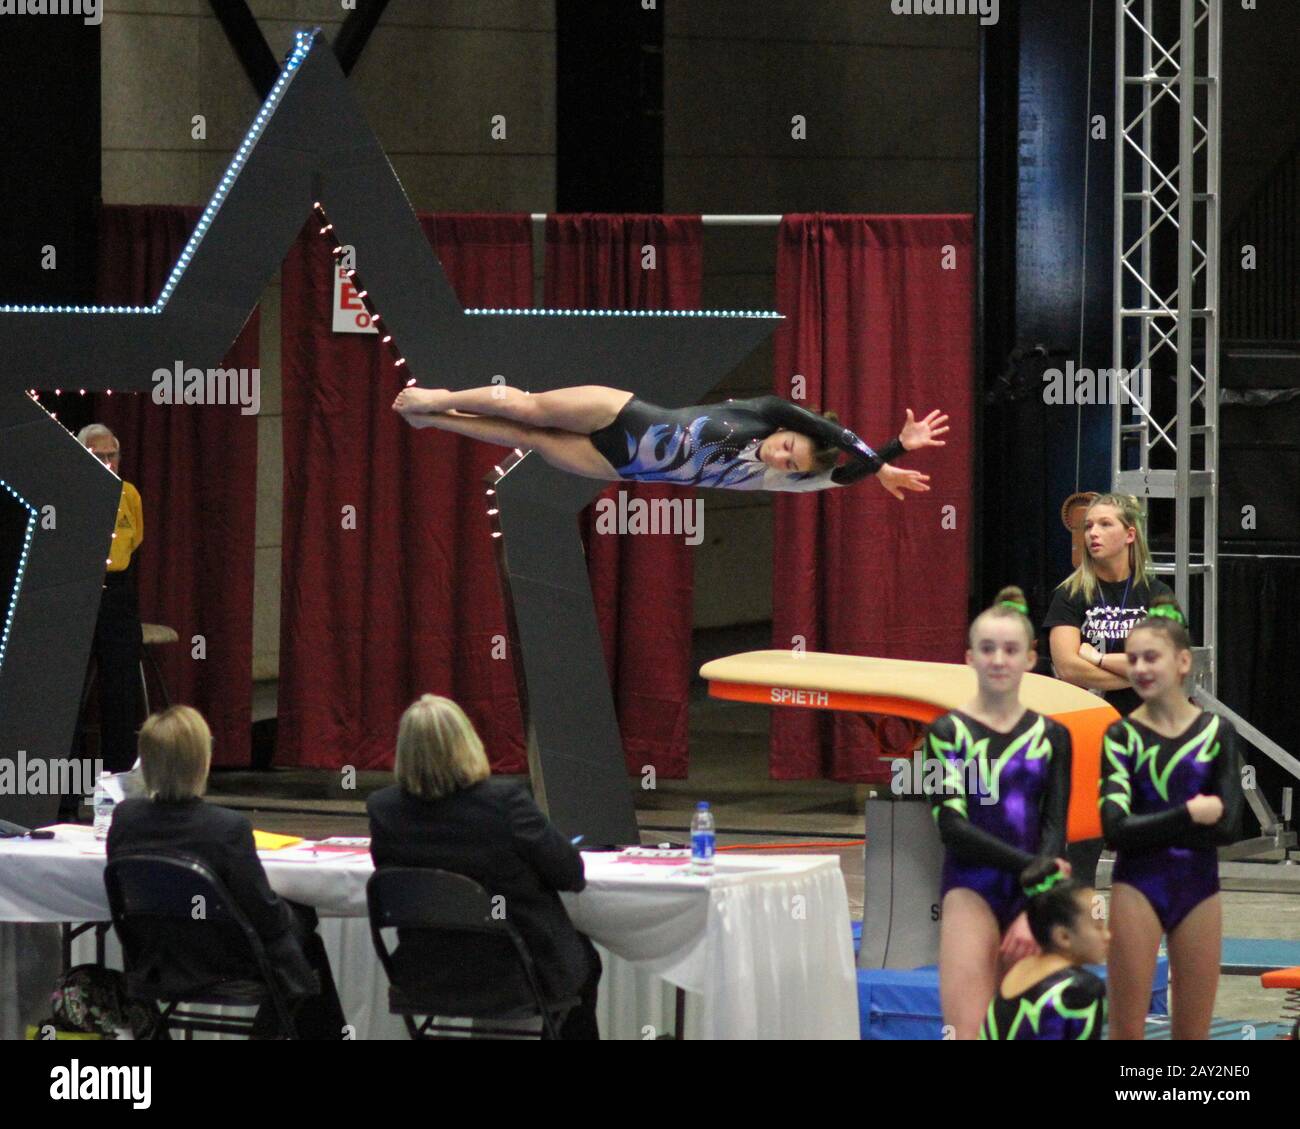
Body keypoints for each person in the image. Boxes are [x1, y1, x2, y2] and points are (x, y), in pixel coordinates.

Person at [367, 693, 601, 1039]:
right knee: (582, 962)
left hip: (425, 974)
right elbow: (571, 875)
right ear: (468, 743)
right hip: (513, 974)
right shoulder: (504, 803)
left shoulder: (384, 810)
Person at [106, 706, 347, 1039]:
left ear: (145, 763)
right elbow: (263, 913)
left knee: (301, 952)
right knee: (302, 939)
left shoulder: (125, 820)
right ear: (202, 762)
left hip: (155, 961)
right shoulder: (226, 829)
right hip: (225, 965)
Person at [925, 585, 1074, 1039]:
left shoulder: (1054, 736)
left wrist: (1037, 904)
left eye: (1010, 650)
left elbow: (1055, 828)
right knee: (967, 1031)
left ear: (1030, 658)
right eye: (987, 649)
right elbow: (951, 826)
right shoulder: (946, 733)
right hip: (970, 890)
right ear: (969, 657)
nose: (998, 660)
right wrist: (1036, 868)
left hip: (1034, 897)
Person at [1100, 594, 1243, 1040]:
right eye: (1133, 659)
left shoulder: (1217, 733)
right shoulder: (1121, 736)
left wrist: (1156, 827)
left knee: (1193, 1034)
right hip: (1137, 887)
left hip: (1198, 888)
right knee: (1126, 1031)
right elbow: (1115, 830)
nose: (1140, 668)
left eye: (1151, 658)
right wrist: (1189, 813)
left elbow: (1229, 827)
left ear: (1183, 662)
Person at [392, 383, 947, 497]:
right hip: (625, 413)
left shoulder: (779, 482)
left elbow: (841, 474)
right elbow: (833, 434)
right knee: (530, 407)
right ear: (787, 430)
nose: (781, 458)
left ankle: (436, 422)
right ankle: (439, 398)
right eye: (788, 447)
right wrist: (885, 454)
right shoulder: (767, 411)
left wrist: (886, 461)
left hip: (618, 465)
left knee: (526, 437)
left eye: (791, 464)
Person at [1042, 492, 1175, 884]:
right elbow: (1067, 666)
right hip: (1087, 732)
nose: (1092, 534)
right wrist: (1134, 671)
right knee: (1082, 846)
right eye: (1088, 526)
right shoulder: (1070, 594)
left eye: (1104, 524)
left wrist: (1097, 658)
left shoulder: (1157, 594)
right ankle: (1074, 913)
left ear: (1130, 534)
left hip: (1144, 733)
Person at [77, 423, 144, 774]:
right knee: (72, 691)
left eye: (111, 455)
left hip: (118, 591)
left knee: (121, 689)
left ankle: (120, 779)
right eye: (97, 456)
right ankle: (67, 790)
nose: (107, 462)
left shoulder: (129, 494)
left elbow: (134, 540)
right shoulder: (72, 493)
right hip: (81, 590)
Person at [980, 858, 1109, 1040]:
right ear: (1063, 937)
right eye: (1098, 927)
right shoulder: (1080, 989)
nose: (1107, 935)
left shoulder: (1018, 970)